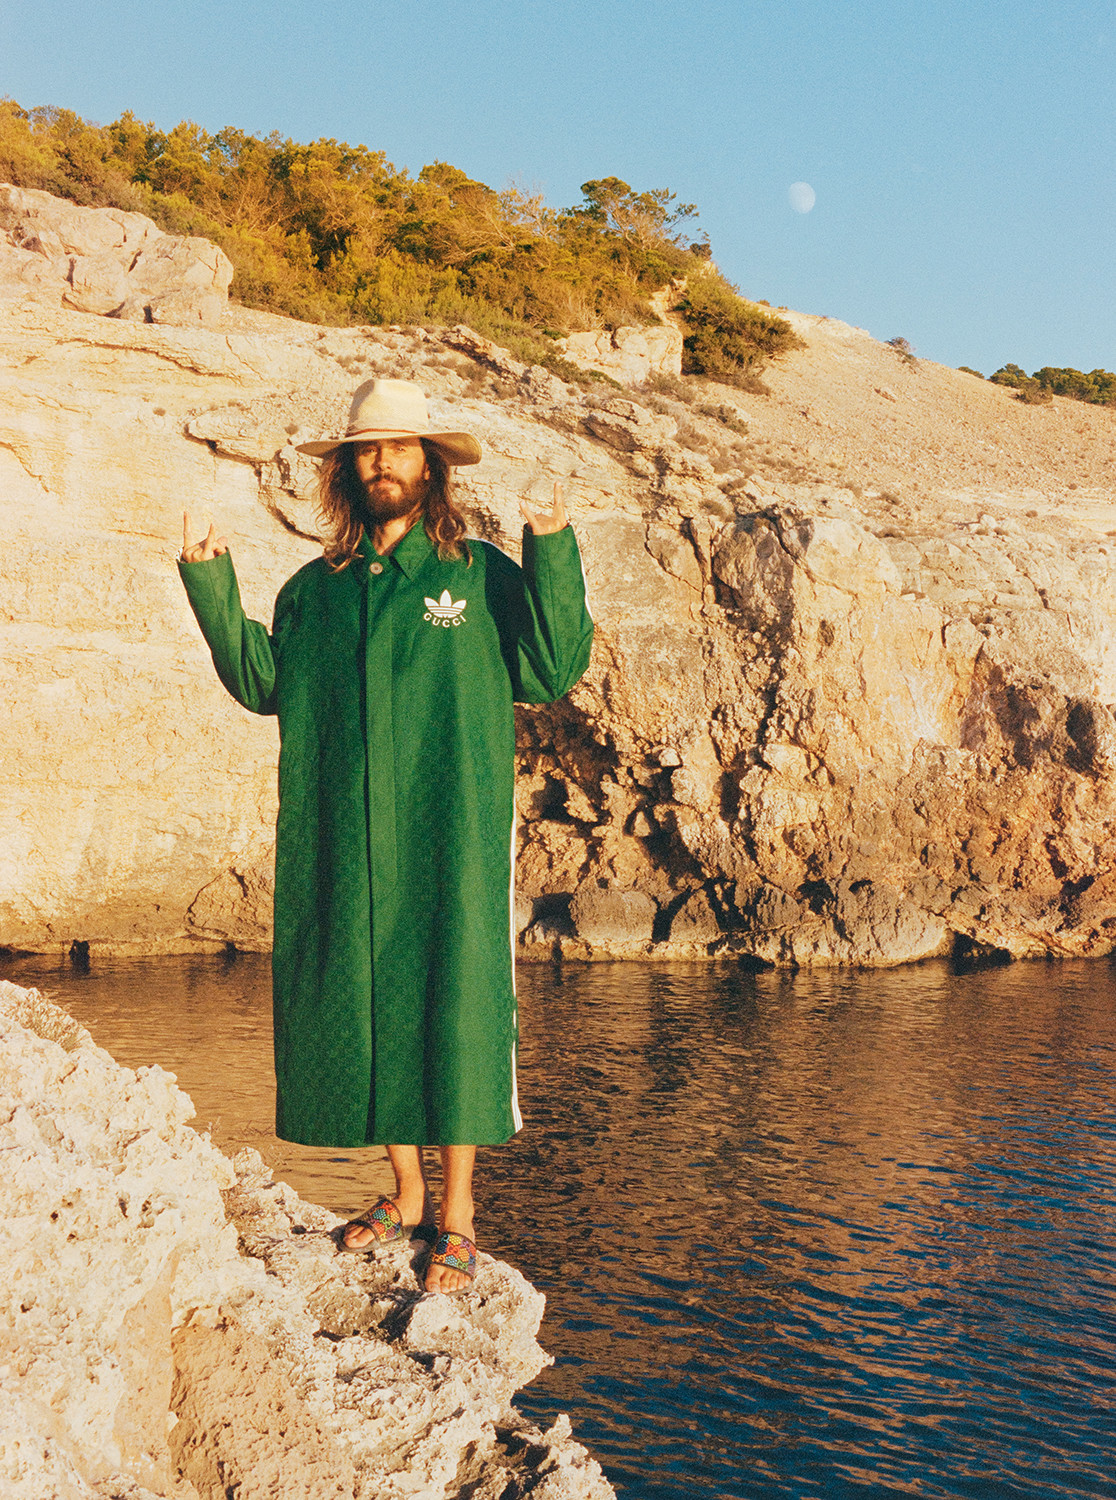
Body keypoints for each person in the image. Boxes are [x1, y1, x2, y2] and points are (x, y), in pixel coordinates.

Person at [178, 377, 593, 1293]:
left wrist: (553, 548)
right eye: (367, 449)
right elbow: (260, 682)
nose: (382, 462)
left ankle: (457, 1217)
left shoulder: (480, 574)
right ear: (345, 471)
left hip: (451, 830)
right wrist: (212, 583)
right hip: (343, 833)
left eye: (401, 448)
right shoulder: (312, 591)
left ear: (432, 467)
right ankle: (402, 1194)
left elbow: (552, 666)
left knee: (452, 1007)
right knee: (367, 1004)